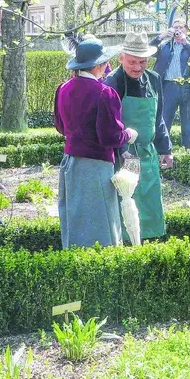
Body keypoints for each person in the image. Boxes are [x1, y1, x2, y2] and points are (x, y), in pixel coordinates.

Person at [54, 38, 136, 248]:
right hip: (96, 165)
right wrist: (128, 134)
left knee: (75, 219)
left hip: (70, 163)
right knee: (100, 224)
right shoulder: (104, 93)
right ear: (99, 65)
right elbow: (110, 137)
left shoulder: (62, 89)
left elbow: (61, 128)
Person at [104, 32, 174, 241]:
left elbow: (158, 118)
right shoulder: (113, 82)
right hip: (126, 154)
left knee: (151, 201)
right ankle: (131, 245)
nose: (137, 67)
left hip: (148, 152)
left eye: (142, 62)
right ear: (121, 58)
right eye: (132, 62)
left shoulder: (153, 79)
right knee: (130, 202)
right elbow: (108, 123)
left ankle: (151, 245)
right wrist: (122, 151)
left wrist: (165, 149)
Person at [151, 17, 190, 149]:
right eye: (175, 27)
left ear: (186, 30)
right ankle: (162, 149)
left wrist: (185, 42)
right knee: (165, 120)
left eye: (180, 27)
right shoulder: (165, 45)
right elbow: (149, 50)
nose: (177, 30)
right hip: (168, 87)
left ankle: (186, 148)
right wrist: (160, 36)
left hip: (186, 87)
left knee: (187, 123)